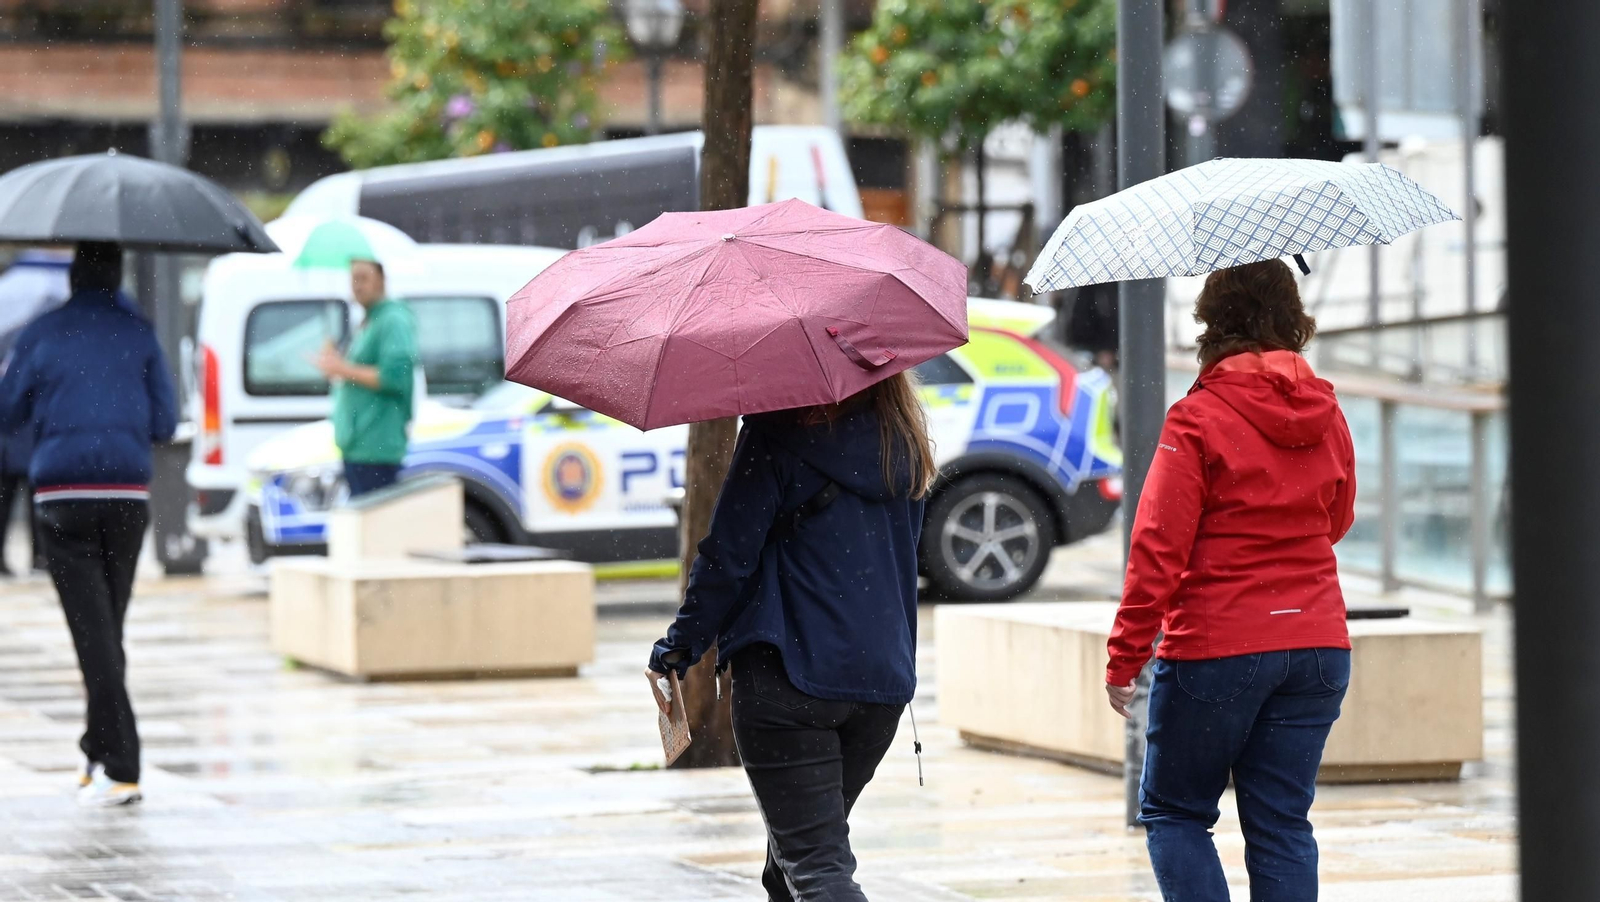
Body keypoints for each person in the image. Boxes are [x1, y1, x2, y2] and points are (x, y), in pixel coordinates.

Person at [1105, 259, 1356, 902]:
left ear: (1212, 324)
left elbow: (1158, 547)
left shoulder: (1197, 418)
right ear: (1291, 321)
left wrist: (1126, 656)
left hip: (1220, 647)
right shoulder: (1326, 410)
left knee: (1176, 813)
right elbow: (1337, 517)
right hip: (1319, 646)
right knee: (1281, 824)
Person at [647, 372, 935, 902]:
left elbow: (728, 558)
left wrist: (681, 644)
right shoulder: (904, 440)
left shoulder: (775, 435)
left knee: (818, 868)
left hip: (789, 680)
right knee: (788, 867)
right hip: (880, 687)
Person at [0, 241, 178, 807]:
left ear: (74, 276)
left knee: (92, 630)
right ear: (118, 274)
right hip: (127, 493)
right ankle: (97, 749)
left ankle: (122, 767)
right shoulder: (140, 332)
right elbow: (167, 423)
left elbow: (8, 411)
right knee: (106, 627)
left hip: (63, 493)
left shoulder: (42, 332)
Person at [314, 258, 418, 498]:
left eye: (364, 278)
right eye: (353, 279)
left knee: (374, 526)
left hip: (376, 445)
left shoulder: (393, 319)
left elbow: (395, 376)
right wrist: (335, 363)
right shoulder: (370, 319)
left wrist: (342, 368)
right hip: (360, 444)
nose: (357, 286)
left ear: (381, 279)